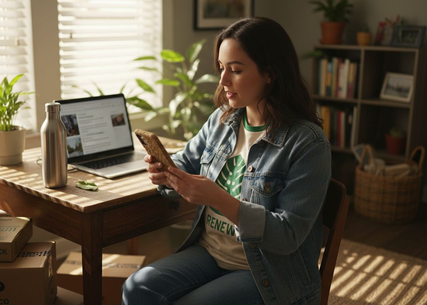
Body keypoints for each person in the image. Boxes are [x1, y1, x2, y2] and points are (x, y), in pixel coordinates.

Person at [122, 16, 331, 305]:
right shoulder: (223, 121)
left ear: (270, 73)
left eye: (235, 70)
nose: (223, 80)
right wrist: (166, 173)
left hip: (268, 271)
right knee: (138, 288)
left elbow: (287, 235)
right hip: (210, 251)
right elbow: (186, 160)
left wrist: (219, 199)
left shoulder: (308, 143)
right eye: (221, 68)